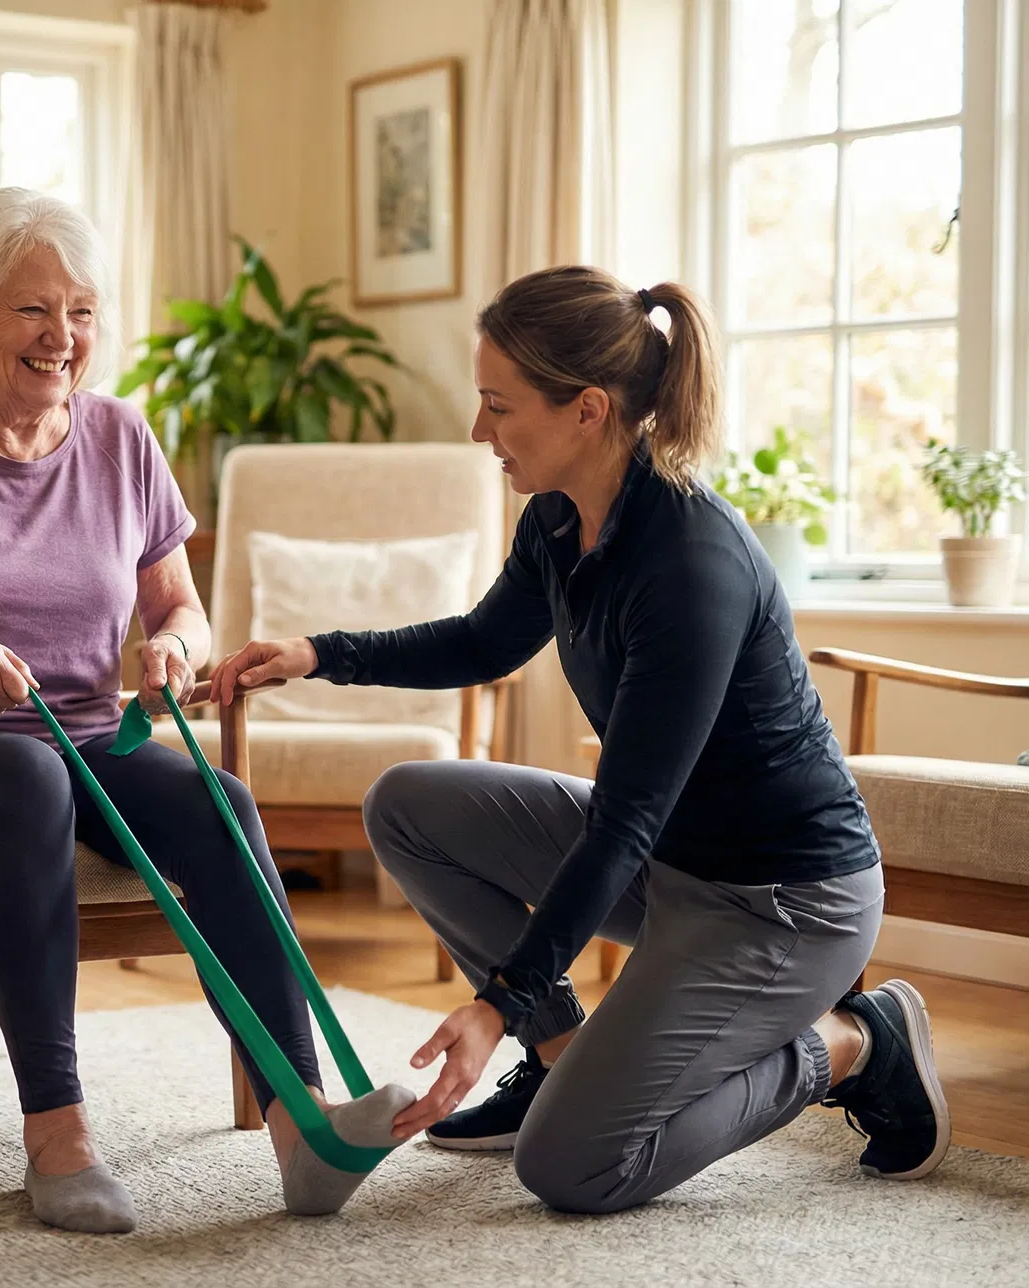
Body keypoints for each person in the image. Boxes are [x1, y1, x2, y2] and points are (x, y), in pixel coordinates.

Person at [208, 265, 949, 1214]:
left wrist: (496, 1000)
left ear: (587, 409)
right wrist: (317, 653)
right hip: (671, 867)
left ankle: (856, 1044)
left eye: (497, 405)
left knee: (571, 1168)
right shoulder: (558, 517)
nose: (481, 431)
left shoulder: (690, 565)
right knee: (409, 801)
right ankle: (559, 1060)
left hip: (784, 903)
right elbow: (483, 641)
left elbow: (624, 821)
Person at [0, 187, 412, 1235]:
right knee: (25, 777)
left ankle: (304, 1128)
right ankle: (56, 1133)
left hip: (83, 729)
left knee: (217, 795)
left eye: (82, 311)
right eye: (33, 310)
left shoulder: (118, 437)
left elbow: (181, 604)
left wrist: (173, 650)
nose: (61, 337)